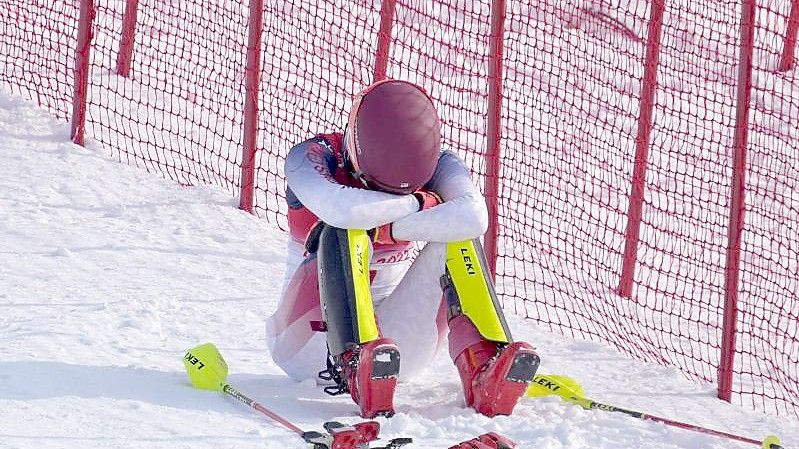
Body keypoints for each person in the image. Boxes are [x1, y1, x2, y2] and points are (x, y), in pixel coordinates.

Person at [266, 79, 539, 419]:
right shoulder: (312, 156)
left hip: (394, 355)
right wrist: (419, 204)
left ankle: (483, 364)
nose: (388, 197)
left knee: (458, 236)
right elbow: (345, 210)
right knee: (345, 230)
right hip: (309, 345)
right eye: (376, 188)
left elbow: (473, 216)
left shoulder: (442, 163)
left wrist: (388, 221)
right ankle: (356, 361)